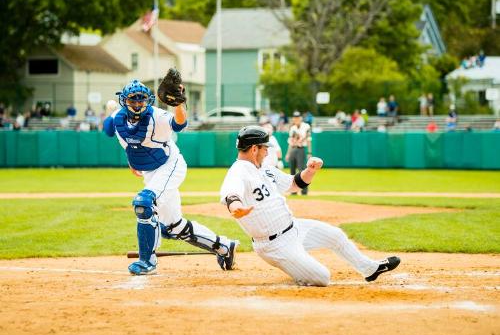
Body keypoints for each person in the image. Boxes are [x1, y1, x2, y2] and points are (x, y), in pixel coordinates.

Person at [220, 126, 401, 287]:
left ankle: (369, 269)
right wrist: (236, 208)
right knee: (322, 277)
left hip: (294, 227)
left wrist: (311, 170)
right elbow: (231, 195)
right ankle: (297, 269)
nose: (267, 152)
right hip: (274, 245)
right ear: (254, 149)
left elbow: (294, 184)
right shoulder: (238, 172)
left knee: (336, 236)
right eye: (264, 148)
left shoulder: (264, 169)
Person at [103, 78, 238, 275]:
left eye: (142, 100)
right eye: (134, 100)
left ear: (148, 100)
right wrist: (132, 161)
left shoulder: (157, 116)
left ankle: (147, 261)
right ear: (124, 101)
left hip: (169, 166)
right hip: (150, 172)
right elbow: (110, 131)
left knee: (144, 203)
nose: (138, 104)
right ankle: (224, 247)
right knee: (175, 227)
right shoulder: (118, 118)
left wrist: (179, 104)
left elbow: (179, 123)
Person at [285, 111, 312, 195]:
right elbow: (290, 142)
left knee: (302, 170)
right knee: (292, 170)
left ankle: (304, 191)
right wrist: (288, 153)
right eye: (294, 117)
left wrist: (309, 152)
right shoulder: (293, 128)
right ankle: (294, 191)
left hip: (301, 149)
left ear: (300, 118)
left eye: (297, 117)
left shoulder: (306, 126)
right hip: (293, 149)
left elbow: (308, 140)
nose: (296, 119)